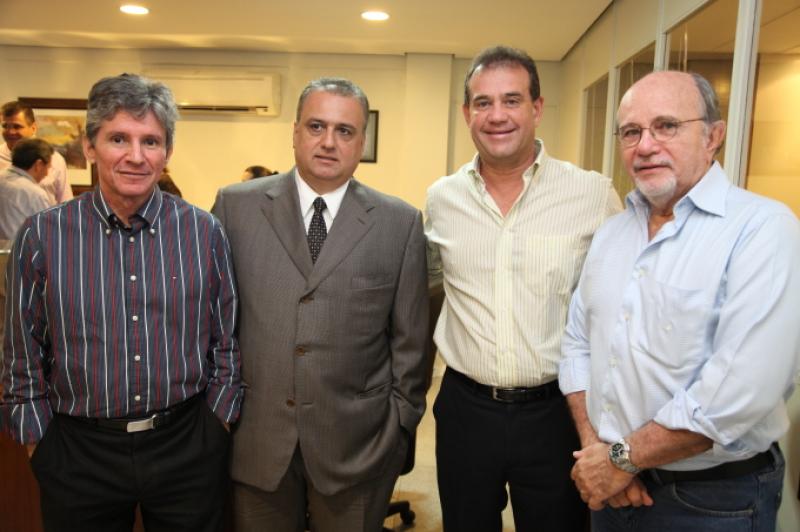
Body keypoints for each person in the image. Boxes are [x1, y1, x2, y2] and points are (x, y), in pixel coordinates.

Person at [1, 73, 242, 532]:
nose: (136, 156)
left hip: (187, 446)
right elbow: (21, 349)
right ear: (90, 146)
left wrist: (218, 423)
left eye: (151, 141)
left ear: (167, 152)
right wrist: (38, 441)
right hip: (78, 452)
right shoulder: (43, 236)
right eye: (118, 139)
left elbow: (225, 339)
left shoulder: (203, 233)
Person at [560, 70, 800, 531]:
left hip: (712, 502)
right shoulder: (612, 233)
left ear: (714, 136)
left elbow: (738, 394)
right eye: (631, 132)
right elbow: (576, 344)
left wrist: (619, 459)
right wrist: (599, 453)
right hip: (613, 489)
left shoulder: (762, 230)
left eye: (666, 126)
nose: (645, 145)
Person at [212, 77, 428, 532]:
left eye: (344, 131)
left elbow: (411, 341)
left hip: (358, 444)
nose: (329, 142)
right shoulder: (235, 208)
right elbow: (213, 322)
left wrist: (399, 426)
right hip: (257, 439)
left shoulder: (400, 223)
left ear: (361, 142)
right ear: (295, 132)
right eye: (316, 126)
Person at [425, 45, 621, 531]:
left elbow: (623, 310)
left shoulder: (592, 195)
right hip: (466, 409)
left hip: (557, 412)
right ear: (466, 113)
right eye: (483, 102)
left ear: (537, 107)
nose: (497, 115)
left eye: (511, 100)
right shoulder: (442, 199)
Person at [1, 100, 72, 205]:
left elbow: (66, 202)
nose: (10, 132)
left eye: (17, 126)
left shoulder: (54, 159)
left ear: (33, 128)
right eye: (5, 126)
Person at [0, 138, 53, 240]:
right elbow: (48, 235)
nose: (47, 173)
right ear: (38, 165)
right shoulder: (35, 194)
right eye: (48, 167)